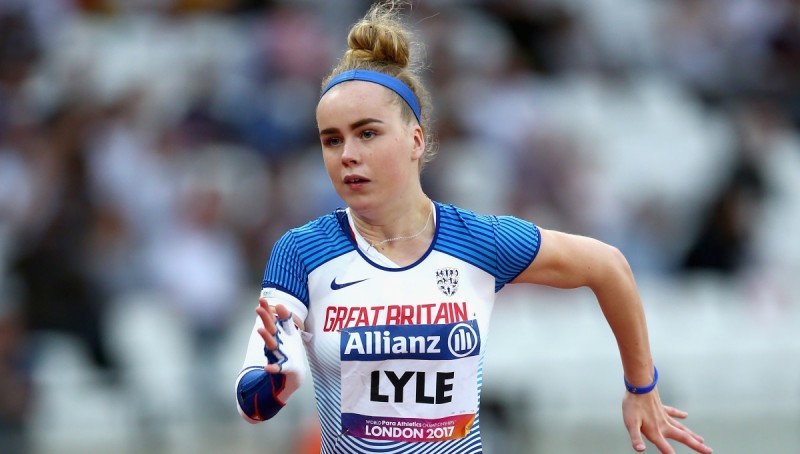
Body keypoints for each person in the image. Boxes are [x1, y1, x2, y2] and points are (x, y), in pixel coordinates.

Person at [235, 2, 713, 453]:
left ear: (415, 139)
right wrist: (277, 382)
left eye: (368, 133)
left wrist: (641, 387)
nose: (348, 155)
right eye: (331, 140)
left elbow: (609, 267)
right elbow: (253, 401)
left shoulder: (478, 242)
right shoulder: (303, 251)